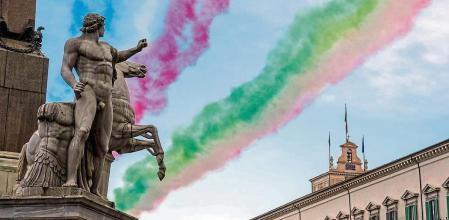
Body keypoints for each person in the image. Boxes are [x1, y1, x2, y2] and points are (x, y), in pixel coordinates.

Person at [60, 13, 147, 196]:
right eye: (103, 25)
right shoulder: (75, 43)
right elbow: (65, 68)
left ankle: (94, 190)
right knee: (82, 132)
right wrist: (74, 84)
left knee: (103, 146)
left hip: (106, 97)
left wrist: (137, 49)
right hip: (88, 91)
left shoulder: (107, 47)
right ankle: (70, 180)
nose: (105, 29)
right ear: (97, 26)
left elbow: (120, 56)